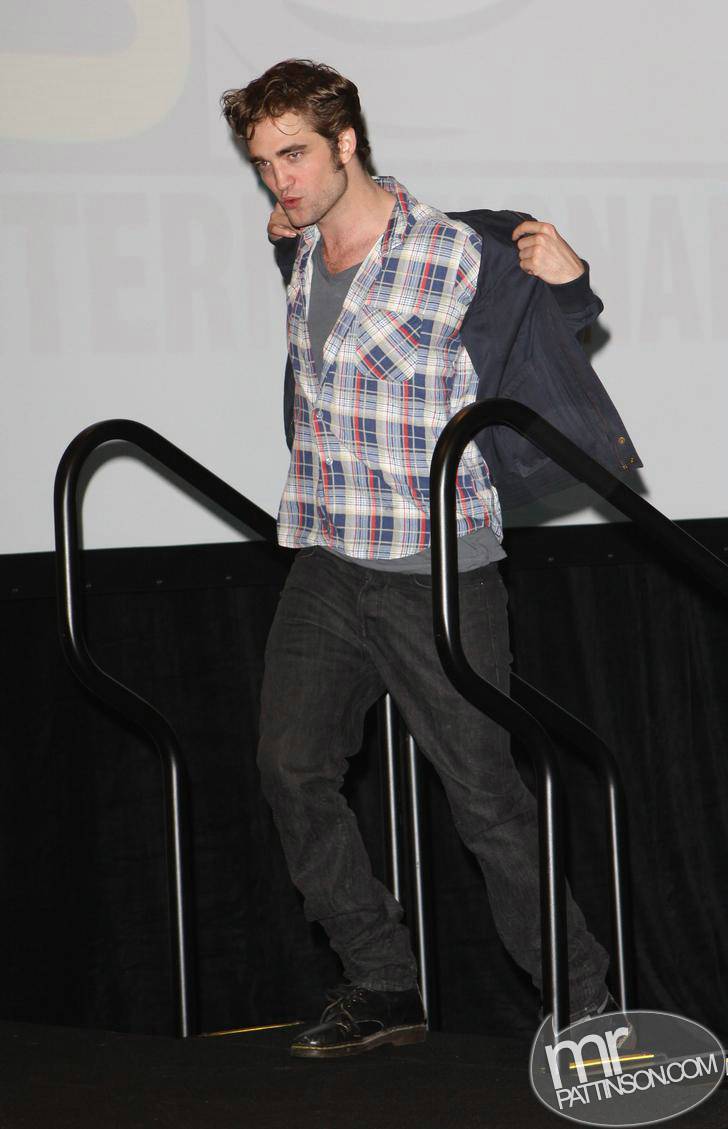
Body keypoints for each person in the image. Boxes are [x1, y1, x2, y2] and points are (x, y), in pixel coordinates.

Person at [221, 59, 639, 1060]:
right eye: (263, 163)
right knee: (289, 767)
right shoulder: (299, 245)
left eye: (294, 156)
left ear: (346, 143)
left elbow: (552, 327)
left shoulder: (456, 252)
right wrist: (288, 227)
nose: (279, 180)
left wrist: (573, 281)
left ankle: (586, 1008)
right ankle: (379, 979)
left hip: (435, 565)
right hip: (328, 555)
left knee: (486, 800)